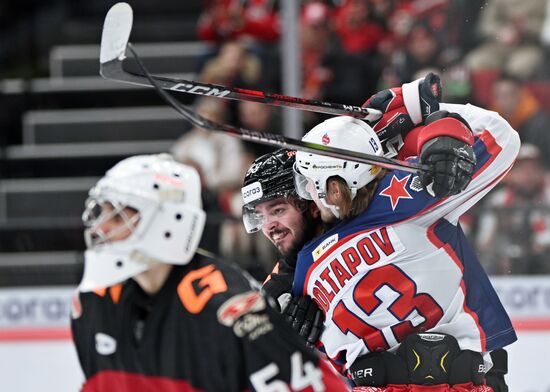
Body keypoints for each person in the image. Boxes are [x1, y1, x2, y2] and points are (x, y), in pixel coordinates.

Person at [70, 154, 349, 391]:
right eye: (103, 215)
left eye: (118, 217)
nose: (101, 230)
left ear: (168, 221)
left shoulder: (230, 309)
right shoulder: (92, 305)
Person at [292, 101, 519, 389]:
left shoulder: (309, 264)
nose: (308, 195)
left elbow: (322, 363)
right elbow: (500, 135)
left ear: (334, 189)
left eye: (310, 183)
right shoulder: (413, 188)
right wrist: (417, 107)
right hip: (464, 379)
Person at [240, 74, 445, 347]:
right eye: (259, 216)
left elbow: (423, 105)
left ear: (309, 198)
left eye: (277, 210)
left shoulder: (381, 193)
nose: (268, 227)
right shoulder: (292, 272)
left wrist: (417, 113)